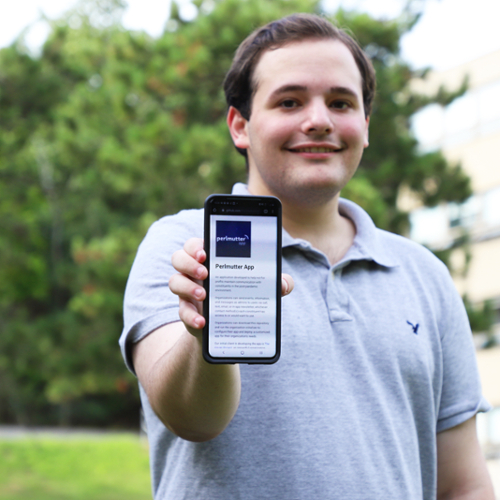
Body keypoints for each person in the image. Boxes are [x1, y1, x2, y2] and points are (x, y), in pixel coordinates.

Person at [120, 13, 495, 500]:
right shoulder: (184, 247)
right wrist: (210, 336)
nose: (318, 120)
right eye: (290, 101)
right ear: (240, 126)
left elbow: (464, 484)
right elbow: (194, 419)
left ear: (363, 125)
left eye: (340, 102)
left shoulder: (425, 275)